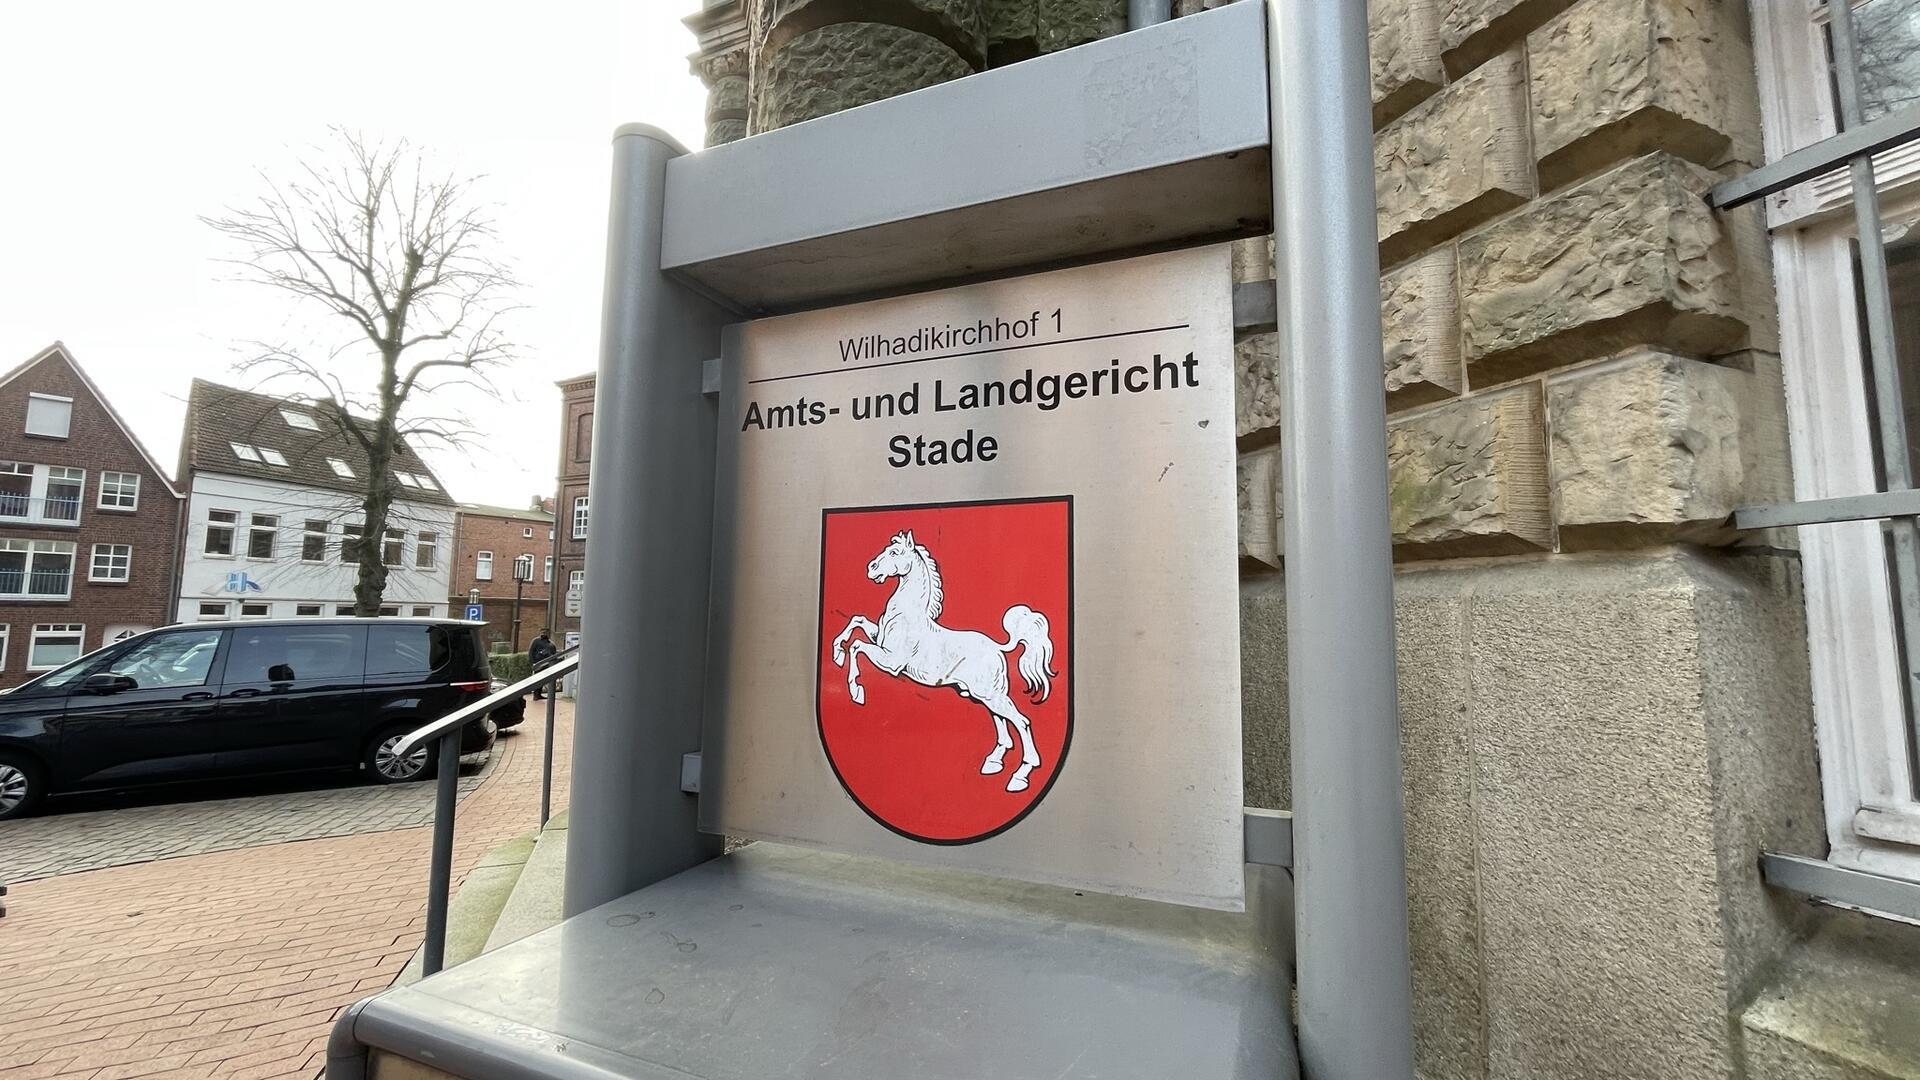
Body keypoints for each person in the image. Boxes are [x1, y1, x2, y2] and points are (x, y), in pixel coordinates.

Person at [528, 629, 557, 699]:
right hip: (538, 663)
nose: (544, 633)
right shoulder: (536, 641)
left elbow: (553, 653)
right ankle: (536, 694)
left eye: (546, 632)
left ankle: (539, 694)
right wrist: (533, 662)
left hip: (547, 664)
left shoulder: (550, 643)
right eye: (543, 632)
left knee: (543, 679)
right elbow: (531, 651)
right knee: (537, 679)